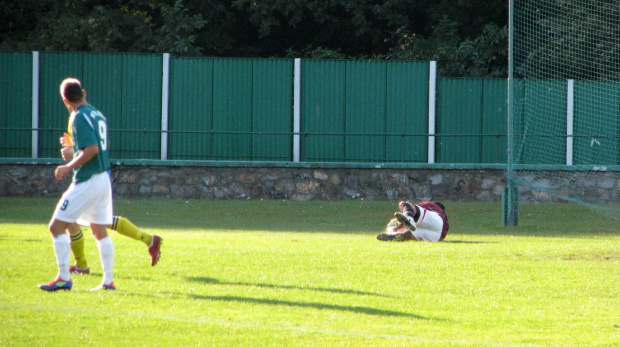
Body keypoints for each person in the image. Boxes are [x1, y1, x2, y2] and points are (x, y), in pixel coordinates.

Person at [39, 77, 115, 291]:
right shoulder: (97, 114)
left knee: (56, 226)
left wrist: (67, 166)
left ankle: (64, 277)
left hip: (88, 179)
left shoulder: (78, 116)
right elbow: (99, 145)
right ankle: (108, 281)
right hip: (103, 179)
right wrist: (75, 151)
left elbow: (92, 150)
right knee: (99, 230)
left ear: (65, 100)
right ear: (84, 93)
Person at [60, 132, 162, 273]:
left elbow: (94, 151)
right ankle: (149, 240)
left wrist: (73, 153)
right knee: (96, 221)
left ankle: (82, 266)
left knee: (69, 218)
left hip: (92, 178)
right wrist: (73, 145)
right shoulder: (90, 116)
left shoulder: (84, 116)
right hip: (96, 177)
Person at [376, 200, 449, 242]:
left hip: (435, 221)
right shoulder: (445, 220)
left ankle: (409, 219)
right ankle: (398, 237)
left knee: (405, 204)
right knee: (412, 234)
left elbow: (414, 210)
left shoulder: (431, 206)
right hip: (437, 237)